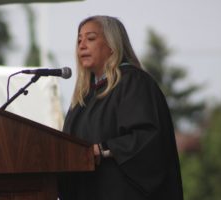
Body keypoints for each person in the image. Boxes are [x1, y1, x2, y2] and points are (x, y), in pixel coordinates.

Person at [59, 15, 184, 200]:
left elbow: (148, 138)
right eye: (79, 40)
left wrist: (103, 149)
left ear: (112, 45)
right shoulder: (84, 97)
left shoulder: (134, 82)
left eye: (91, 38)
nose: (82, 45)